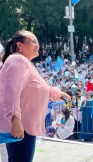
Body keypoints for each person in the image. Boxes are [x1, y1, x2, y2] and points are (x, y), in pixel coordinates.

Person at [0, 30, 71, 162]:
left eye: (37, 41)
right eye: (33, 41)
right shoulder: (17, 60)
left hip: (24, 126)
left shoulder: (23, 62)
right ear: (20, 45)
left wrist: (54, 93)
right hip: (21, 126)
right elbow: (11, 91)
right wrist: (15, 119)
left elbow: (34, 87)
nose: (37, 45)